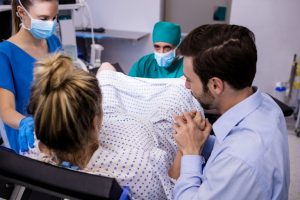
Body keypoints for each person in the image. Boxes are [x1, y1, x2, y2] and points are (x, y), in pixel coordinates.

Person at [25, 53, 203, 199]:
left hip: (120, 118)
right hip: (150, 121)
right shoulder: (137, 169)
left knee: (106, 68)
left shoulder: (37, 151)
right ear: (96, 123)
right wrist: (186, 151)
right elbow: (170, 192)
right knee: (178, 91)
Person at [169, 24, 290, 200]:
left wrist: (190, 152)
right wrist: (202, 141)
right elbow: (227, 145)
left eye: (189, 80)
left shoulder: (238, 161)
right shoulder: (267, 104)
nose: (186, 86)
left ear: (216, 85)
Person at [0, 0, 61, 153]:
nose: (51, 24)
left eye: (54, 18)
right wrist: (24, 123)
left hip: (58, 130)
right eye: (44, 19)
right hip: (28, 139)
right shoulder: (5, 54)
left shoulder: (53, 41)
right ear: (21, 13)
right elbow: (6, 110)